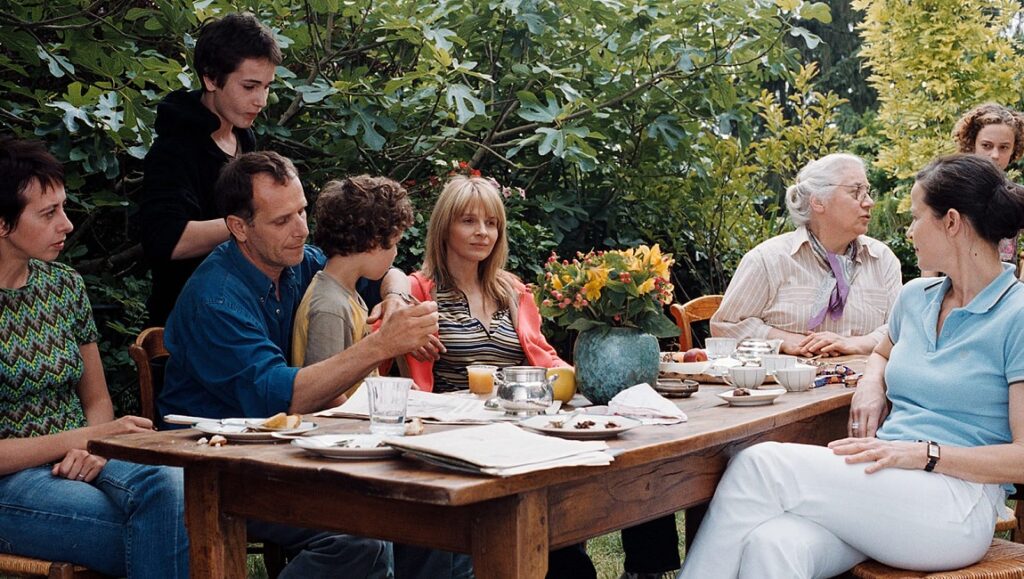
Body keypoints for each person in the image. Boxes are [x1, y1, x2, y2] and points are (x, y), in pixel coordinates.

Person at [680, 154, 1024, 578]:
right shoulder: (917, 297)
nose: (909, 231)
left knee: (759, 465)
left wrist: (924, 454)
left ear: (951, 222)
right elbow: (882, 350)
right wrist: (871, 384)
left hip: (957, 503)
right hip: (886, 480)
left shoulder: (1017, 315)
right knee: (773, 545)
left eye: (916, 218)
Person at [159, 151, 440, 577]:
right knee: (357, 538)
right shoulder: (214, 300)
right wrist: (383, 343)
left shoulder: (297, 262)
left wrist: (396, 299)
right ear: (239, 227)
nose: (302, 229)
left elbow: (383, 267)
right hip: (215, 469)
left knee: (429, 510)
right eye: (281, 220)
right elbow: (285, 398)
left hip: (287, 453)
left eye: (303, 210)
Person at [0, 137, 188, 578]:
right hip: (10, 484)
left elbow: (96, 399)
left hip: (81, 458)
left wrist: (93, 446)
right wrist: (82, 440)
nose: (66, 225)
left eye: (64, 208)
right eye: (48, 214)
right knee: (180, 528)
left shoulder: (63, 285)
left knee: (172, 484)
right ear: (2, 224)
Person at [403, 174, 598, 578]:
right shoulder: (419, 290)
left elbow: (543, 355)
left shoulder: (511, 290)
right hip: (450, 435)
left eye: (491, 223)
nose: (482, 232)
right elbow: (381, 332)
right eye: (468, 221)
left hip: (518, 427)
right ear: (444, 226)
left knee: (569, 524)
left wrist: (592, 377)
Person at [293, 175, 470, 578]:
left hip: (364, 445)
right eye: (392, 244)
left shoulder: (349, 293)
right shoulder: (328, 305)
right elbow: (324, 393)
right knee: (436, 521)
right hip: (341, 457)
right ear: (372, 244)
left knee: (457, 521)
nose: (394, 255)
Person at [139, 12, 281, 326]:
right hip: (186, 323)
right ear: (211, 79)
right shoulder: (173, 149)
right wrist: (256, 222)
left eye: (267, 87)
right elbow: (166, 240)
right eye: (249, 86)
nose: (261, 100)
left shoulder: (244, 136)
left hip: (241, 309)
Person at [711, 153, 902, 357]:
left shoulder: (882, 260)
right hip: (785, 387)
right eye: (856, 192)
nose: (869, 202)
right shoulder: (767, 260)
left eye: (867, 191)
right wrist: (782, 340)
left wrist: (853, 344)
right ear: (818, 201)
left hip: (865, 385)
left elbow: (900, 328)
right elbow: (725, 327)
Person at [950, 102, 1024, 270]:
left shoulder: (1017, 197)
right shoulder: (951, 189)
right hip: (958, 289)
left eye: (1004, 147)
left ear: (1014, 150)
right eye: (987, 146)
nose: (995, 155)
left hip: (1006, 289)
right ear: (972, 144)